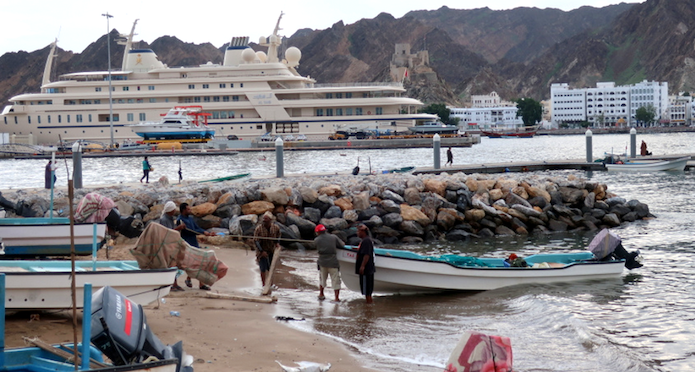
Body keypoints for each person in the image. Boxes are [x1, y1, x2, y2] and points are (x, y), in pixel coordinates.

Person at [176, 202, 215, 290]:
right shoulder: (180, 220)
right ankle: (187, 280)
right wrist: (203, 233)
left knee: (198, 263)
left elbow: (196, 228)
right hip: (187, 244)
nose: (190, 210)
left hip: (194, 243)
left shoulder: (190, 218)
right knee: (190, 264)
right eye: (188, 209)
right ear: (183, 210)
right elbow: (190, 231)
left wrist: (205, 232)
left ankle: (199, 283)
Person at [156, 201, 186, 291]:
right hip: (166, 245)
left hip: (171, 244)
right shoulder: (164, 219)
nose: (174, 211)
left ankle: (174, 283)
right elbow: (167, 232)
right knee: (170, 264)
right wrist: (178, 228)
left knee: (173, 264)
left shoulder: (170, 218)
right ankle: (172, 284)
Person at [314, 224, 344, 302]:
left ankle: (321, 294)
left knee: (322, 279)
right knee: (335, 280)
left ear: (318, 232)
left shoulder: (316, 240)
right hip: (333, 262)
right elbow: (342, 245)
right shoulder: (333, 237)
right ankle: (336, 298)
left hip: (322, 262)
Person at [253, 211, 281, 287]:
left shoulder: (275, 228)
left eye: (266, 220)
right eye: (264, 220)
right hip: (261, 250)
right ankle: (264, 285)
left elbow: (278, 235)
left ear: (270, 220)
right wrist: (262, 251)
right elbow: (256, 241)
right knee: (263, 268)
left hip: (271, 250)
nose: (264, 221)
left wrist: (277, 243)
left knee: (270, 268)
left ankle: (270, 284)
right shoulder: (259, 228)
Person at [355, 224, 375, 304]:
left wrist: (362, 266)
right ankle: (368, 307)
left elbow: (367, 254)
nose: (357, 233)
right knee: (367, 291)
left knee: (367, 291)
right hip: (367, 269)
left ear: (363, 232)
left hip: (367, 270)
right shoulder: (365, 240)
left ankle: (369, 307)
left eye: (358, 231)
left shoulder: (366, 241)